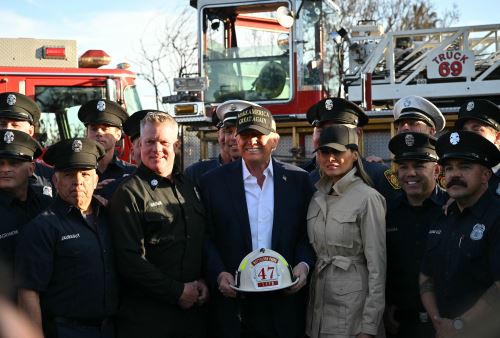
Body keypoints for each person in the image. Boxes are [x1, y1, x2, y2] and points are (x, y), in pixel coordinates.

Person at [200, 105, 315, 338]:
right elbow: (205, 237)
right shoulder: (211, 183)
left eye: (258, 135)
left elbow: (306, 235)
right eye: (244, 135)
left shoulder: (298, 180)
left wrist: (303, 265)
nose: (251, 141)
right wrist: (219, 273)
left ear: (274, 140)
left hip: (285, 305)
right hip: (234, 306)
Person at [107, 111, 208, 338]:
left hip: (193, 318)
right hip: (148, 321)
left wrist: (202, 281)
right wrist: (178, 292)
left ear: (177, 145)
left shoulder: (189, 187)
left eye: (164, 142)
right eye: (149, 142)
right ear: (140, 143)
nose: (156, 149)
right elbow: (129, 261)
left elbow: (199, 242)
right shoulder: (130, 193)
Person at [16, 138, 118, 338]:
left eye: (86, 174)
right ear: (55, 180)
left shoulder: (109, 216)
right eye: (69, 174)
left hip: (110, 329)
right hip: (66, 331)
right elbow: (28, 293)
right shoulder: (42, 227)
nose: (78, 181)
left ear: (96, 180)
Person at [306, 125, 386, 338]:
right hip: (319, 309)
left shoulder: (368, 198)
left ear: (354, 154)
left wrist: (369, 326)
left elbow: (377, 267)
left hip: (353, 314)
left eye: (338, 152)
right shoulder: (316, 198)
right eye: (325, 152)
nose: (331, 158)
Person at [420, 130, 500, 338]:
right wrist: (439, 322)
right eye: (449, 168)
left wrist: (459, 325)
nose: (454, 175)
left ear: (485, 175)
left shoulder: (496, 217)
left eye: (464, 167)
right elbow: (425, 276)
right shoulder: (443, 216)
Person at [385, 132, 448, 338]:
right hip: (401, 325)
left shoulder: (453, 209)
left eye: (419, 165)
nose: (410, 173)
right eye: (403, 166)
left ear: (437, 170)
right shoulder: (386, 213)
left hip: (449, 324)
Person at [305, 97, 399, 202]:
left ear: (358, 134)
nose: (327, 137)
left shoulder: (379, 176)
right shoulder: (308, 180)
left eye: (337, 131)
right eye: (322, 131)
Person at [0, 129, 51, 300]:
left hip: (50, 308)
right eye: (0, 163)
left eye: (14, 163)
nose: (5, 169)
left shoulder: (48, 205)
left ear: (31, 169)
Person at [78, 99, 135, 199]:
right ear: (87, 133)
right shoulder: (75, 173)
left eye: (105, 129)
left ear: (118, 135)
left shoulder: (132, 173)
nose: (99, 133)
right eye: (93, 129)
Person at [185, 99, 250, 187]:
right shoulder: (196, 173)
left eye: (241, 131)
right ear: (218, 135)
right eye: (228, 131)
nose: (234, 137)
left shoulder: (262, 174)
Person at [0, 92, 54, 197]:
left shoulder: (49, 176)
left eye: (15, 125)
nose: (8, 129)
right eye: (2, 124)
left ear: (30, 131)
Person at [454, 99, 500, 196]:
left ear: (497, 137)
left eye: (477, 129)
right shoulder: (456, 173)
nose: (468, 136)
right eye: (465, 131)